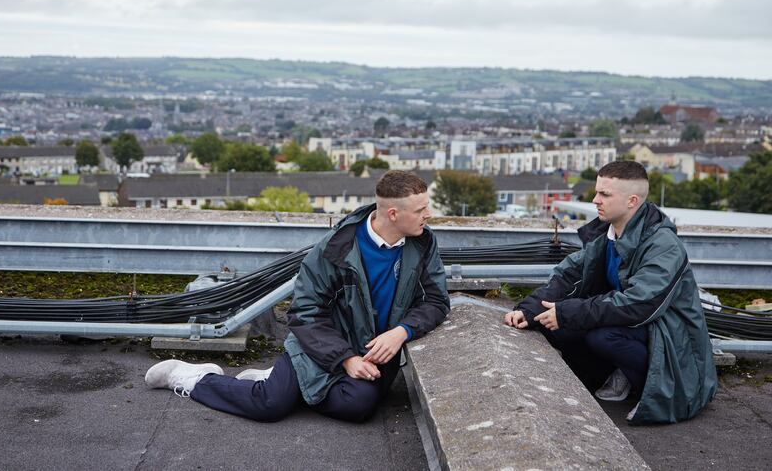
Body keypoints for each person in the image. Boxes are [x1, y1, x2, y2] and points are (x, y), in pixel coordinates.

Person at [145, 170, 450, 422]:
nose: (429, 214)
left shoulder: (422, 244)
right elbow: (304, 313)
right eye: (421, 209)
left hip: (372, 354)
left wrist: (401, 332)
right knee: (269, 406)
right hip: (320, 346)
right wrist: (345, 359)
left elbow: (436, 300)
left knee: (360, 405)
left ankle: (281, 382)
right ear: (393, 214)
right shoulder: (336, 248)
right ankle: (190, 378)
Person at [504, 161, 717, 424]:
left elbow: (639, 304)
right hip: (632, 323)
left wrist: (569, 313)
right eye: (597, 192)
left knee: (602, 336)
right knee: (550, 323)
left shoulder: (663, 245)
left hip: (670, 336)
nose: (595, 200)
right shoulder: (609, 234)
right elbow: (569, 274)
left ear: (632, 201)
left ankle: (645, 386)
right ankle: (611, 373)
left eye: (605, 194)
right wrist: (530, 309)